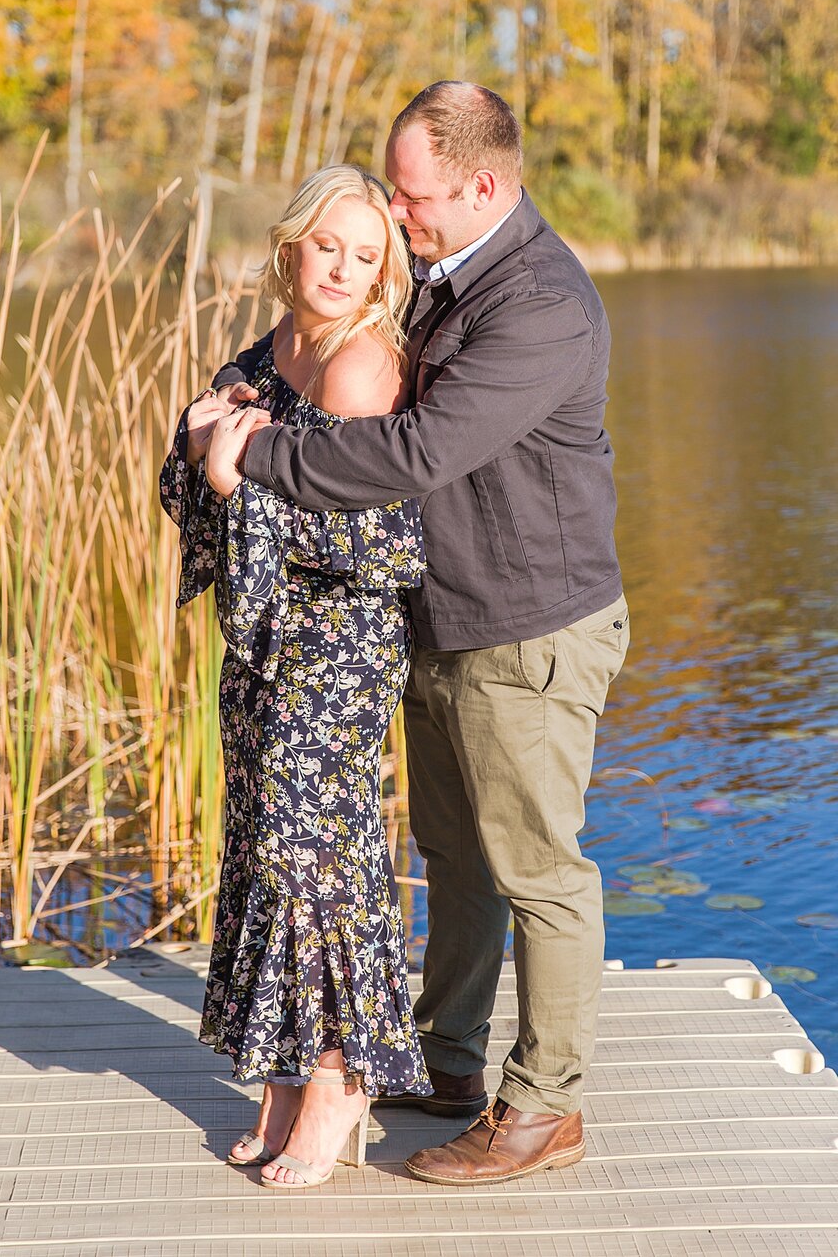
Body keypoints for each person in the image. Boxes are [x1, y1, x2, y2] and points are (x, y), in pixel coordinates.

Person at [204, 81, 629, 1188]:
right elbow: (304, 349)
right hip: (441, 622)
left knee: (536, 870)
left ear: (484, 185)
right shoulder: (441, 273)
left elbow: (406, 457)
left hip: (531, 626)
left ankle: (542, 1108)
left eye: (412, 193)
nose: (393, 213)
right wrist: (228, 404)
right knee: (455, 860)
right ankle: (443, 1059)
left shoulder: (538, 304)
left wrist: (249, 456)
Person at [160, 164, 432, 1192]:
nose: (344, 269)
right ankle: (276, 1066)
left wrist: (236, 480)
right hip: (263, 644)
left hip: (338, 646)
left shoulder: (363, 365)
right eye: (329, 245)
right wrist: (199, 434)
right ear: (290, 246)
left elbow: (369, 542)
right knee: (263, 851)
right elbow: (204, 484)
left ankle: (337, 1074)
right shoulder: (270, 351)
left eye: (368, 256)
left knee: (315, 858)